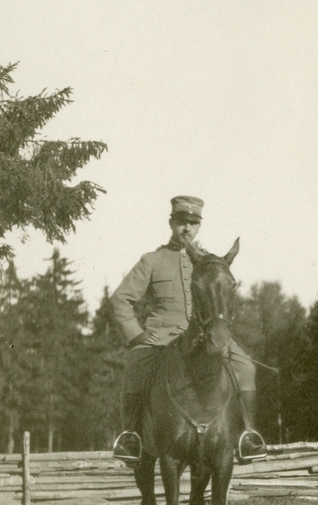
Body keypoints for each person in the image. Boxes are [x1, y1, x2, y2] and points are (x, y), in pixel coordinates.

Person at [110, 195, 267, 464]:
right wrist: (136, 334)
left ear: (199, 227)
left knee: (246, 367)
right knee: (136, 365)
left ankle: (248, 436)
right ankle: (131, 436)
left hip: (206, 336)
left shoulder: (210, 262)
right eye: (182, 222)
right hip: (162, 336)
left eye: (193, 223)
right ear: (171, 223)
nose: (187, 229)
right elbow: (120, 299)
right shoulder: (152, 260)